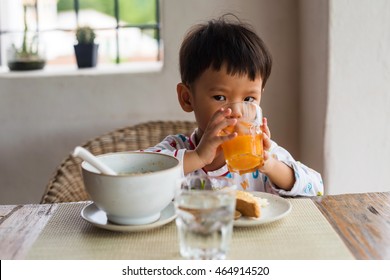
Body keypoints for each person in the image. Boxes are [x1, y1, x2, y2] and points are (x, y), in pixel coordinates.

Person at [144, 15, 323, 197]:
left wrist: (270, 166)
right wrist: (197, 157)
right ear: (187, 99)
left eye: (249, 99)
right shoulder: (175, 149)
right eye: (220, 97)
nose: (237, 112)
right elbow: (131, 173)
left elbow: (317, 188)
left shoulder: (265, 153)